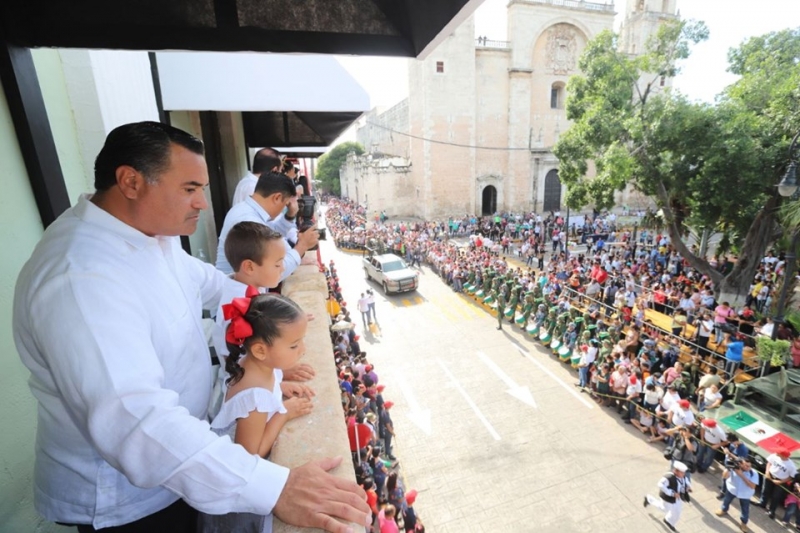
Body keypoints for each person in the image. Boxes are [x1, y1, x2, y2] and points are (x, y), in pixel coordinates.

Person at [12, 122, 369, 532]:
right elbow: (135, 419)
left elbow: (219, 287)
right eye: (189, 189)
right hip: (128, 500)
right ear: (130, 181)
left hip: (184, 463)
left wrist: (272, 339)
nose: (202, 203)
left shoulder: (151, 239)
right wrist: (274, 488)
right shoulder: (81, 276)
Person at [198, 294, 315, 532]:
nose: (303, 350)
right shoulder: (256, 396)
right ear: (261, 350)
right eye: (294, 345)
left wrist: (279, 387)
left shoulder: (250, 364)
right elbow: (249, 455)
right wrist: (284, 413)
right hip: (232, 499)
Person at [208, 221, 315, 420]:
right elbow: (237, 362)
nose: (282, 268)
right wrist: (279, 377)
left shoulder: (249, 288)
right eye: (277, 264)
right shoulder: (236, 306)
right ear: (249, 266)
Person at [215, 171, 320, 279]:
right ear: (277, 198)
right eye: (285, 205)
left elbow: (270, 232)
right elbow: (274, 273)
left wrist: (289, 215)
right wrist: (302, 246)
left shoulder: (245, 209)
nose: (284, 208)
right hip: (237, 292)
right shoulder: (248, 220)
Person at [643, 461, 692, 531]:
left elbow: (686, 482)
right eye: (682, 472)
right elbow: (660, 484)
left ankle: (669, 521)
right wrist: (671, 493)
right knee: (664, 509)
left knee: (677, 511)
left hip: (678, 497)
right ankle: (649, 499)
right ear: (676, 471)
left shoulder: (683, 477)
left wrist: (688, 487)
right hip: (668, 498)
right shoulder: (669, 477)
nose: (684, 474)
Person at [716, 458, 759, 533]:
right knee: (726, 500)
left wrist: (741, 475)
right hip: (732, 489)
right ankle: (723, 510)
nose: (748, 468)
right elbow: (724, 476)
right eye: (745, 466)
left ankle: (744, 523)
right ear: (740, 464)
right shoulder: (734, 468)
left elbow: (752, 486)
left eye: (749, 466)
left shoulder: (754, 473)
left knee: (745, 509)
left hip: (745, 494)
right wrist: (728, 469)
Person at [759, 449, 798, 519]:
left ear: (784, 456)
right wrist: (767, 472)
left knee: (776, 496)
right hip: (770, 474)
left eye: (779, 453)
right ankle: (762, 503)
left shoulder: (791, 466)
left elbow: (791, 477)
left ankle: (772, 510)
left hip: (781, 480)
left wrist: (781, 482)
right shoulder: (774, 456)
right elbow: (769, 463)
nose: (777, 454)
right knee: (765, 490)